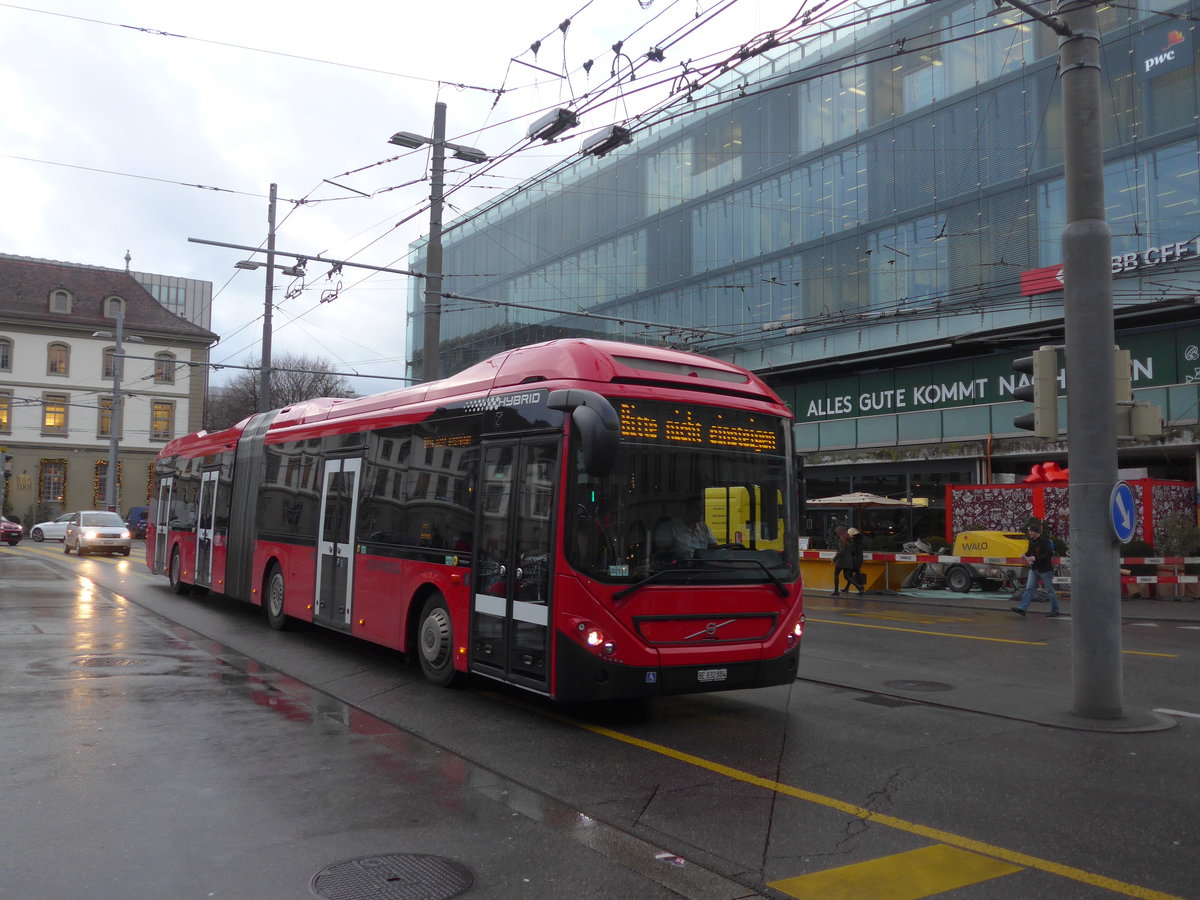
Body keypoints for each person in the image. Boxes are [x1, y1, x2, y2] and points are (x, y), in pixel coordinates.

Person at [1011, 522, 1061, 617]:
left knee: (1050, 590)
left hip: (1045, 569)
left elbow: (1049, 554)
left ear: (1036, 532)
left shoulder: (1044, 541)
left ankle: (1055, 610)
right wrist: (1025, 555)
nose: (1029, 533)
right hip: (1034, 569)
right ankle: (1022, 609)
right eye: (1029, 531)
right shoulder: (1032, 541)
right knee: (1029, 588)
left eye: (1031, 531)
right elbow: (1030, 552)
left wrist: (1036, 558)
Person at [832, 526, 855, 595]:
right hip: (849, 561)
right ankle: (859, 586)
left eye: (837, 532)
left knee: (836, 574)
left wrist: (834, 559)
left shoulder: (841, 540)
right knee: (847, 576)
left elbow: (841, 551)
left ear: (839, 533)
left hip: (841, 561)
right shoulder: (850, 540)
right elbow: (852, 551)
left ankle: (836, 591)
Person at [847, 527, 865, 594]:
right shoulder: (859, 539)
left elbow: (853, 550)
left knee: (852, 575)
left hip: (855, 560)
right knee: (851, 574)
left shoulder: (854, 541)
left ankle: (861, 589)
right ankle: (847, 588)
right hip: (858, 559)